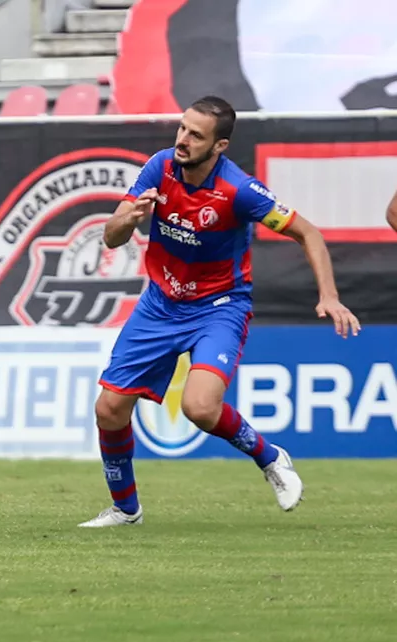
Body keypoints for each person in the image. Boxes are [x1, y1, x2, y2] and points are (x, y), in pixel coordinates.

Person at [79, 95, 360, 528]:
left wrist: (329, 296)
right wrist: (129, 218)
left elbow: (309, 233)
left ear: (220, 146)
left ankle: (270, 457)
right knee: (109, 410)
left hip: (218, 308)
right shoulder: (159, 167)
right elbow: (111, 237)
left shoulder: (240, 191)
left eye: (196, 134)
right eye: (182, 128)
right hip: (160, 304)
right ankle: (126, 509)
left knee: (200, 408)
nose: (183, 140)